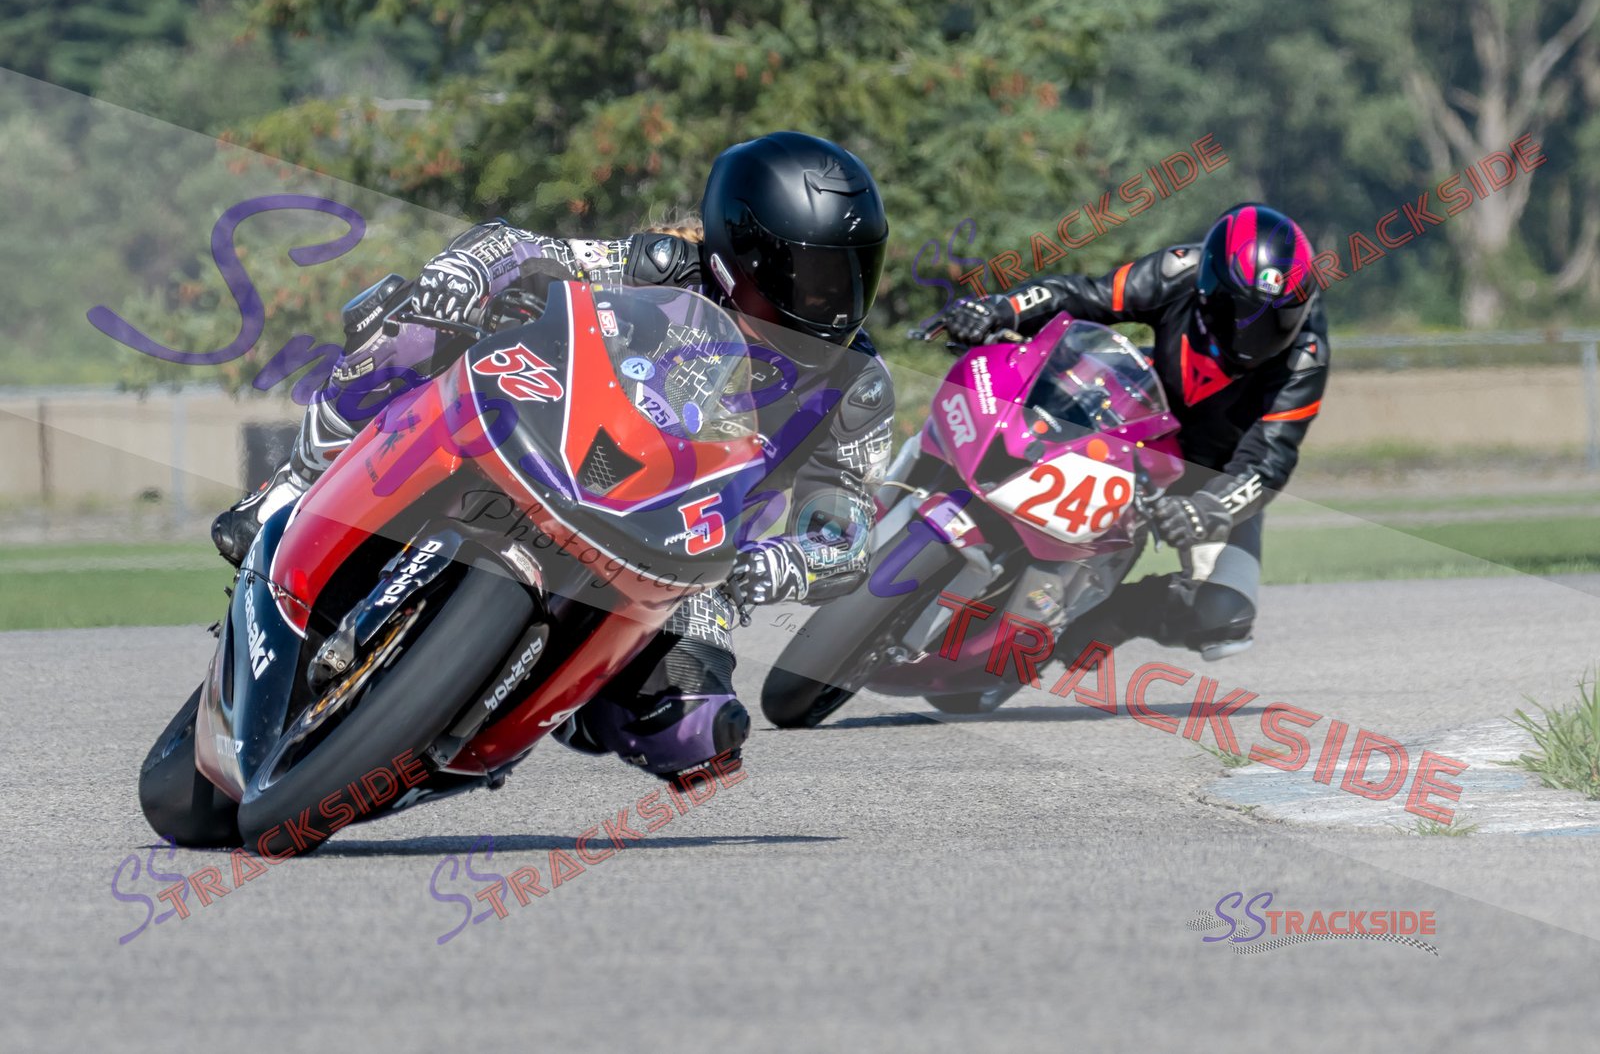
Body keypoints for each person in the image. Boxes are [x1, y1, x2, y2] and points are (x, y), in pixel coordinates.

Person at [211, 131, 895, 779]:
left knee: (696, 731)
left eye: (851, 275)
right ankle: (292, 487)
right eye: (811, 276)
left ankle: (514, 710)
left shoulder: (858, 386)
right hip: (559, 441)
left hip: (685, 558)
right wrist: (463, 273)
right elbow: (518, 247)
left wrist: (772, 565)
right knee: (409, 328)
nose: (834, 303)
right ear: (740, 255)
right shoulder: (663, 266)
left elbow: (847, 531)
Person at [940, 202, 1327, 660]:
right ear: (1209, 287)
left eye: (1275, 321)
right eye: (1237, 310)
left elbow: (1267, 464)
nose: (1251, 335)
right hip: (1133, 422)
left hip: (1213, 474)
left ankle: (1112, 616)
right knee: (1027, 410)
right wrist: (1002, 308)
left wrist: (1208, 508)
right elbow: (1084, 295)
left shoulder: (1305, 358)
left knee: (1223, 618)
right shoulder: (1177, 270)